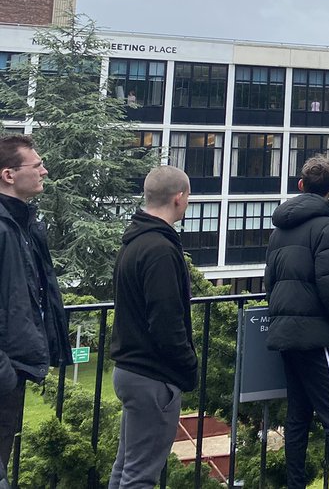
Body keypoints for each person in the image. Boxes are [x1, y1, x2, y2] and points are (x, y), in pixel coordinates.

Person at [266, 155, 329, 489]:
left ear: (301, 185)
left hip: (286, 334)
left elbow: (270, 282)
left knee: (297, 419)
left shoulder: (280, 228)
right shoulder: (327, 227)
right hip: (318, 338)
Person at [108, 165, 197, 489]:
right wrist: (188, 366)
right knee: (141, 476)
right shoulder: (160, 249)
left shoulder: (134, 242)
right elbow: (166, 320)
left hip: (131, 369)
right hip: (154, 375)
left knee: (126, 470)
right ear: (179, 198)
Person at [0, 135, 70, 489]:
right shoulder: (5, 228)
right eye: (36, 165)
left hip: (14, 370)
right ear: (9, 175)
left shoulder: (24, 226)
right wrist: (5, 372)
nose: (44, 170)